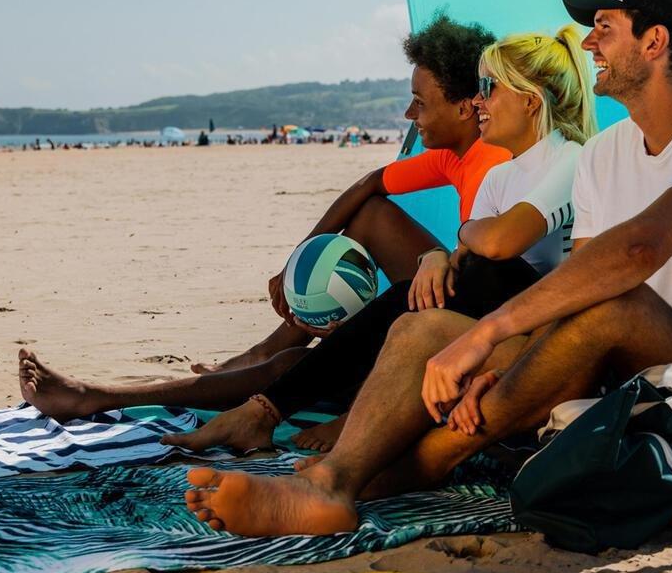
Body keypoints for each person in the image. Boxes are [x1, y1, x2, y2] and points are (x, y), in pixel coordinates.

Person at [181, 0, 672, 537]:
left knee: (612, 303)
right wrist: (511, 365)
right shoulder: (605, 151)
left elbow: (636, 253)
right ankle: (336, 484)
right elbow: (579, 280)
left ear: (655, 42)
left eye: (605, 28)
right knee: (423, 330)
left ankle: (412, 468)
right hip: (608, 365)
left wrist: (489, 335)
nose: (590, 44)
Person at [17, 12, 507, 420]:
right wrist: (298, 262)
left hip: (470, 331)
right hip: (459, 296)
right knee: (368, 216)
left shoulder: (492, 166)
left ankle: (99, 397)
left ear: (467, 108)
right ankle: (266, 347)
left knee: (295, 367)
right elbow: (369, 186)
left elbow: (485, 285)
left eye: (420, 103)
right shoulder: (457, 153)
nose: (407, 115)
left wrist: (368, 327)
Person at [157, 24, 597, 455]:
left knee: (485, 270)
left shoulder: (571, 158)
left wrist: (460, 242)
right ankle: (264, 411)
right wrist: (436, 259)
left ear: (530, 100)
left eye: (489, 87)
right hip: (496, 313)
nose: (479, 100)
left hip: (543, 329)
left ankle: (272, 410)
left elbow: (499, 242)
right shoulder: (502, 176)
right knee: (430, 289)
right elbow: (466, 254)